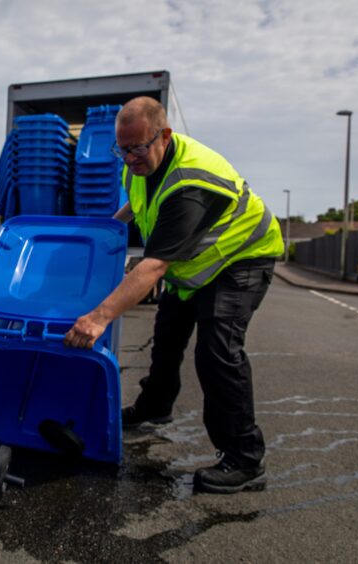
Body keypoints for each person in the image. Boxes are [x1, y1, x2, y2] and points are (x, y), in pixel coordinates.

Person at [64, 97, 283, 494]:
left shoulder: (190, 183)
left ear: (164, 135)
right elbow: (138, 202)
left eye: (137, 148)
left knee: (217, 353)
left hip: (242, 259)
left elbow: (154, 266)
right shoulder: (139, 163)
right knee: (166, 336)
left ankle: (245, 460)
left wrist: (98, 317)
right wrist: (105, 232)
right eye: (122, 148)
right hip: (196, 264)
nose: (129, 158)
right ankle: (155, 407)